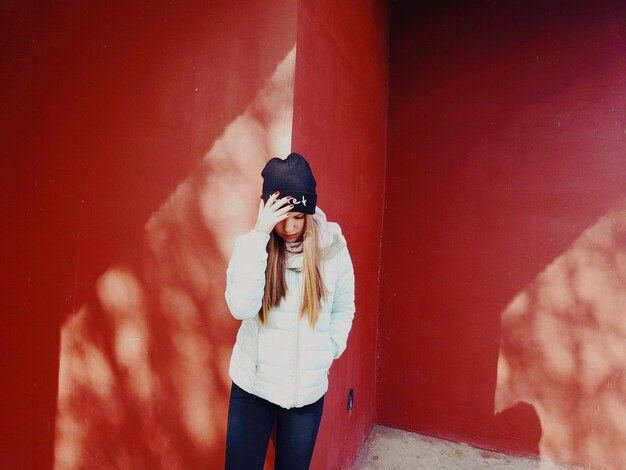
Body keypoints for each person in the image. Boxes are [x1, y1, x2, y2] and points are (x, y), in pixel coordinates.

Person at [224, 152, 356, 470]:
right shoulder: (253, 247)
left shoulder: (333, 249)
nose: (290, 227)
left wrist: (329, 349)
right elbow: (241, 308)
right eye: (283, 217)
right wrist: (259, 235)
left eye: (298, 217)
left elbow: (344, 306)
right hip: (253, 385)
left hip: (306, 391)